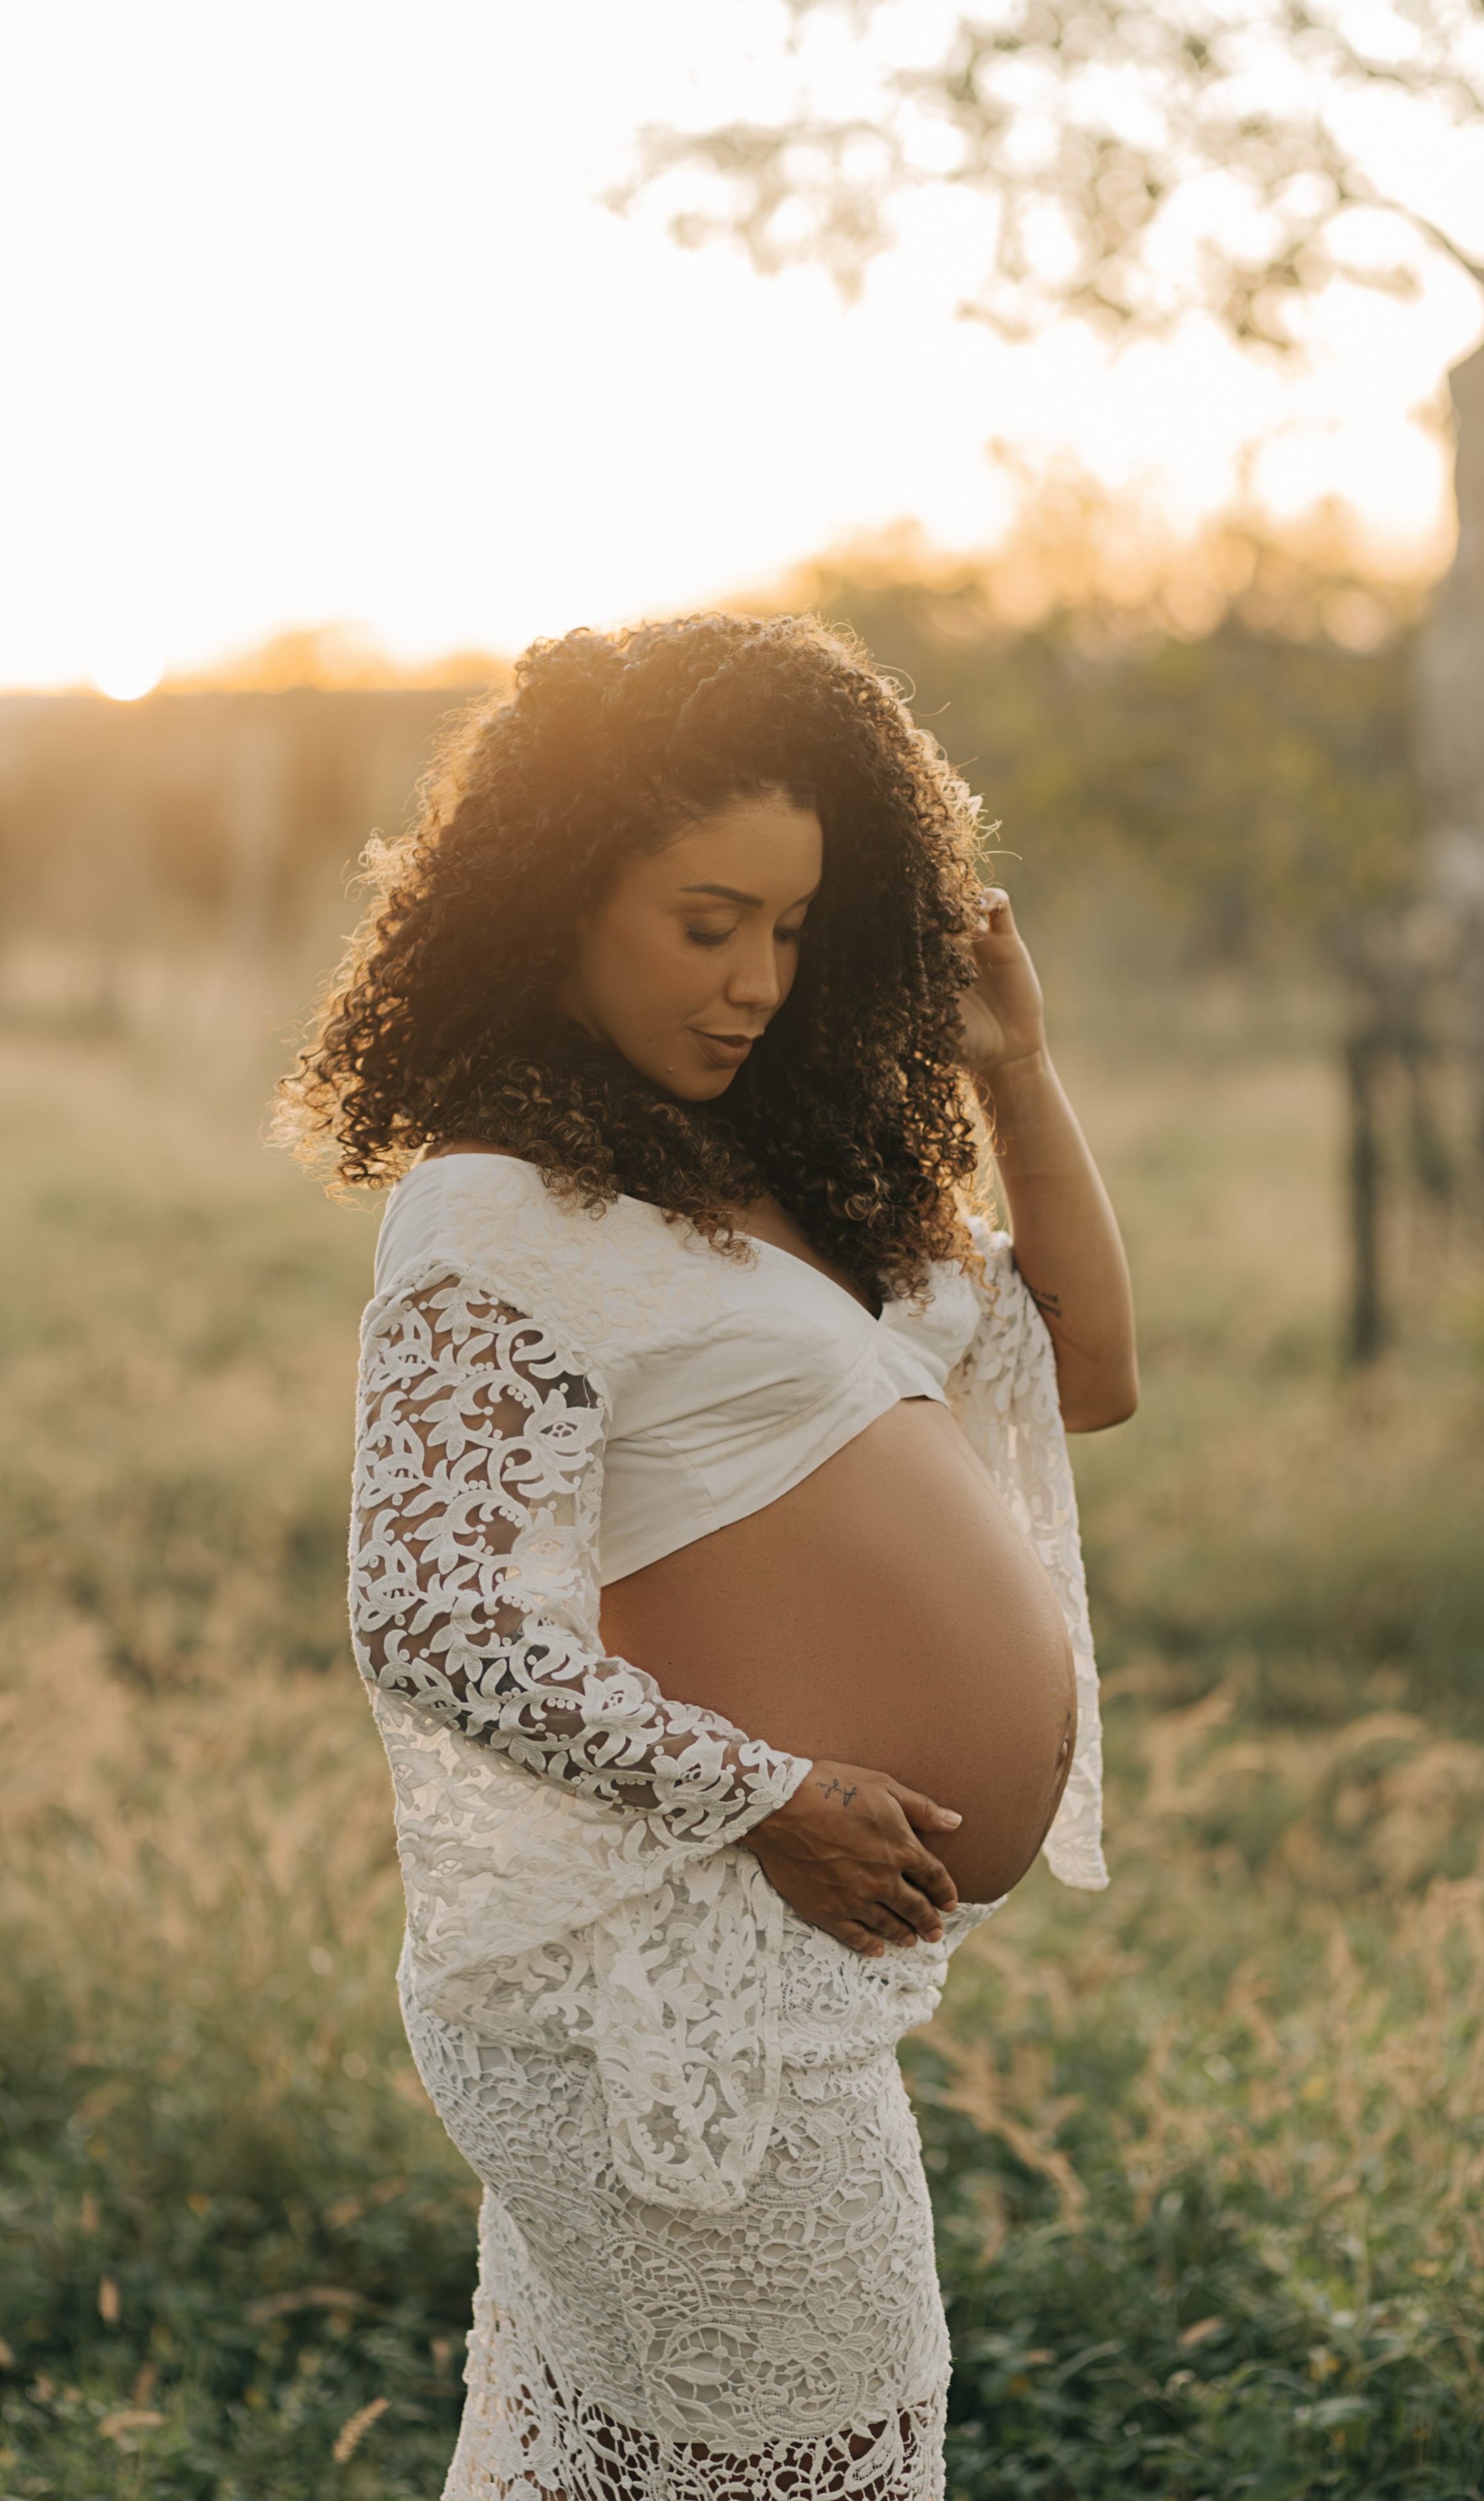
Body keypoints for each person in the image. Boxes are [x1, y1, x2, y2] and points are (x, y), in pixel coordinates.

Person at [279, 612, 1138, 2501]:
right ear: (561, 896)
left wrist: (1015, 1068)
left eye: (795, 927)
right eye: (706, 921)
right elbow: (425, 1613)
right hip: (652, 1995)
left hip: (751, 1989)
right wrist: (767, 1795)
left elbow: (1088, 1368)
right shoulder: (496, 1206)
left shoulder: (772, 1173)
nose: (756, 978)